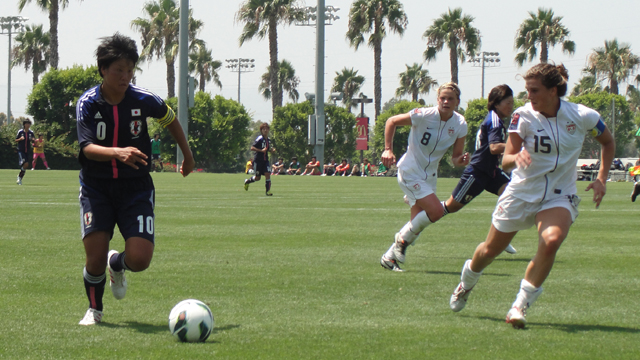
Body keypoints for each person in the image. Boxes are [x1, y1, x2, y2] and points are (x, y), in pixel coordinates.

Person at [449, 63, 615, 329]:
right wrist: (517, 158)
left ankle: (520, 306)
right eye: (527, 90)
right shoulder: (522, 116)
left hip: (559, 195)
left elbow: (608, 142)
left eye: (534, 90)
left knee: (551, 241)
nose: (529, 96)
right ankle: (467, 282)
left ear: (553, 90)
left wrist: (601, 179)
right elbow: (505, 161)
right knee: (489, 251)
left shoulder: (583, 115)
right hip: (522, 193)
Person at [76, 33, 194, 326]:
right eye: (119, 70)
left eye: (130, 70)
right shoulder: (88, 103)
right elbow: (87, 149)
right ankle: (94, 310)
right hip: (96, 188)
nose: (125, 76)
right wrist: (117, 152)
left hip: (136, 189)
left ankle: (117, 264)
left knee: (140, 259)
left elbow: (170, 120)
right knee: (94, 258)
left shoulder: (144, 99)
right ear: (103, 69)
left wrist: (187, 155)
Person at [380, 82, 470, 272]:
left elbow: (455, 158)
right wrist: (388, 149)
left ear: (457, 102)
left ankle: (389, 258)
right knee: (436, 212)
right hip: (410, 170)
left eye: (450, 99)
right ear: (437, 100)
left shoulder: (460, 124)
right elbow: (391, 121)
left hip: (430, 175)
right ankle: (400, 241)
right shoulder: (423, 115)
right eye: (442, 98)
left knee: (417, 224)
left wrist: (461, 160)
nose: (446, 101)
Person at [440, 84, 518, 255]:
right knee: (450, 207)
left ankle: (500, 237)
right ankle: (424, 213)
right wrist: (519, 146)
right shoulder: (495, 121)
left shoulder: (496, 119)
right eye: (508, 103)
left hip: (491, 171)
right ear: (497, 103)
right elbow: (494, 147)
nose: (511, 106)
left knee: (513, 194)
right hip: (478, 172)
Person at [244, 122, 276, 195]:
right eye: (263, 129)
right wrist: (261, 150)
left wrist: (272, 150)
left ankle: (268, 191)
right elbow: (252, 148)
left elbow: (268, 149)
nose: (265, 130)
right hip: (258, 161)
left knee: (268, 174)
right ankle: (247, 181)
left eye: (266, 129)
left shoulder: (269, 140)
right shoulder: (259, 138)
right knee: (257, 178)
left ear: (268, 130)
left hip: (265, 161)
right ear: (261, 130)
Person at [15, 119, 35, 185]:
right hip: (21, 151)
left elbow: (33, 140)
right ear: (24, 125)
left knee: (26, 165)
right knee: (25, 164)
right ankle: (19, 178)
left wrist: (33, 140)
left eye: (29, 124)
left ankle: (19, 178)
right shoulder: (20, 132)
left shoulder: (31, 132)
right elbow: (16, 140)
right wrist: (20, 139)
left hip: (27, 151)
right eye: (27, 124)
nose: (28, 125)